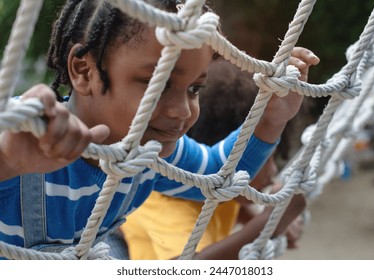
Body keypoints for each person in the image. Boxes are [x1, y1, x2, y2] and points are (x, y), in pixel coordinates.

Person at [0, 0, 319, 259]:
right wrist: (8, 161)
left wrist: (271, 119)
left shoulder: (149, 155)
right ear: (84, 71)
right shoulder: (28, 133)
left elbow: (220, 173)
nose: (181, 110)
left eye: (194, 89)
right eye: (158, 83)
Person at [120, 59, 307, 260]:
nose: (272, 173)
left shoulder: (219, 189)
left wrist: (261, 219)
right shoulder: (172, 208)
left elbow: (229, 200)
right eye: (266, 159)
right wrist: (269, 224)